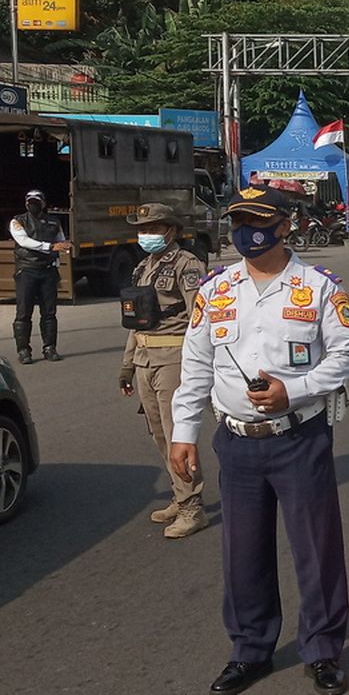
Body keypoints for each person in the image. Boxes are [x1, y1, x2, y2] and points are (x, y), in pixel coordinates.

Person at [170, 186, 349, 695]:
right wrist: (183, 432)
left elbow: (344, 355)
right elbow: (196, 366)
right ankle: (250, 649)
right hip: (236, 441)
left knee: (315, 549)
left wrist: (292, 391)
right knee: (243, 552)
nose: (245, 231)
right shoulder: (217, 289)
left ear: (284, 225)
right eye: (238, 220)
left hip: (298, 436)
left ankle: (322, 649)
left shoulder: (318, 287)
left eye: (257, 220)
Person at [118, 203, 210, 538]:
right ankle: (180, 493)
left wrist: (200, 364)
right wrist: (126, 367)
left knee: (177, 434)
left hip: (174, 355)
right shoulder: (144, 266)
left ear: (170, 231)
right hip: (144, 355)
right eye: (143, 228)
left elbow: (200, 317)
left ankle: (192, 507)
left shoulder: (187, 265)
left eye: (154, 228)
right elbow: (137, 321)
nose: (146, 234)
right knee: (158, 432)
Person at [9, 189, 71, 364]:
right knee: (23, 313)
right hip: (27, 270)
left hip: (48, 271)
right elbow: (24, 242)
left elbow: (61, 241)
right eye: (30, 201)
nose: (33, 204)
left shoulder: (54, 221)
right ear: (26, 203)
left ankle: (50, 348)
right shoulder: (18, 221)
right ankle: (23, 351)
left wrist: (58, 257)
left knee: (49, 313)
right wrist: (50, 247)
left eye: (37, 201)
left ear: (43, 203)